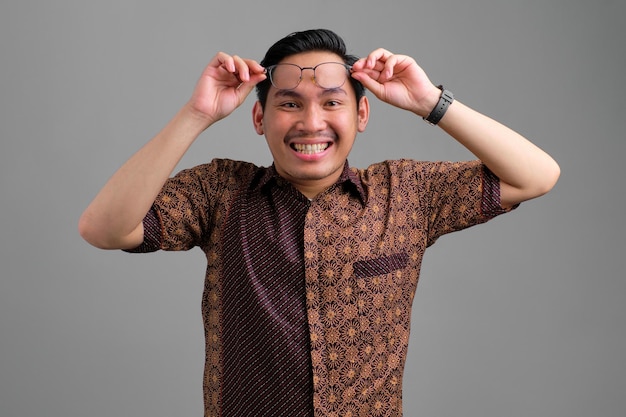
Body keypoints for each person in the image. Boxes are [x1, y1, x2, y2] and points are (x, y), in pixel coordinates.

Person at [79, 29, 560, 417]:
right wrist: (197, 114)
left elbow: (536, 176)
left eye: (332, 102)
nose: (311, 122)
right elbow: (104, 228)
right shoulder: (221, 192)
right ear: (259, 118)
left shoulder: (406, 194)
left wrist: (430, 102)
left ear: (362, 112)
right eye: (289, 103)